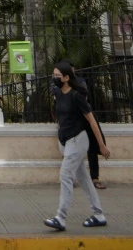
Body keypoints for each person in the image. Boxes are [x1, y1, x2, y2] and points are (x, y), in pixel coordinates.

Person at [44, 61, 110, 232]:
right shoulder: (58, 93)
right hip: (66, 141)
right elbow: (61, 119)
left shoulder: (76, 96)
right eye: (53, 75)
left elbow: (91, 121)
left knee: (65, 174)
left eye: (57, 76)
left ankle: (61, 217)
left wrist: (102, 146)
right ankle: (99, 215)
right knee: (83, 179)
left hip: (78, 140)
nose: (54, 79)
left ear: (66, 78)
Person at [52, 59, 107, 190]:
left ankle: (95, 178)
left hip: (81, 121)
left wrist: (102, 146)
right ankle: (72, 180)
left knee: (91, 149)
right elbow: (57, 101)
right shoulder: (58, 87)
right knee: (68, 154)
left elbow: (86, 106)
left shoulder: (79, 86)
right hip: (68, 127)